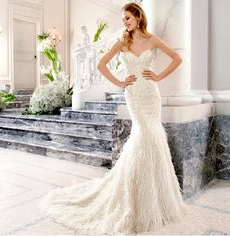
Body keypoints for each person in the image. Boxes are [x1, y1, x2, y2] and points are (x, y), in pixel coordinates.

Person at [40, 2, 190, 235]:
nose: (125, 23)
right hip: (134, 96)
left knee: (153, 138)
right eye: (123, 20)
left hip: (151, 95)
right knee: (144, 137)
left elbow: (176, 58)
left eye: (127, 19)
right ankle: (135, 196)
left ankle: (155, 199)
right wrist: (119, 83)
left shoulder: (151, 39)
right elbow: (101, 64)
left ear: (138, 18)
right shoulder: (123, 41)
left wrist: (158, 76)